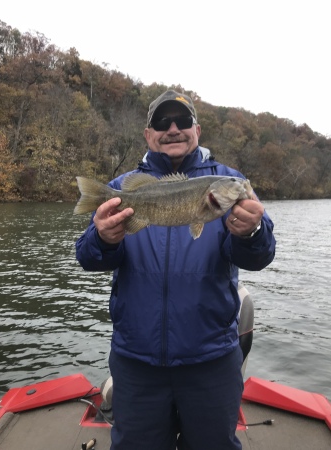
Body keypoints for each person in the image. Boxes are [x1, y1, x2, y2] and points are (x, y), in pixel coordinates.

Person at [76, 90, 276, 450]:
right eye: (162, 123)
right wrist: (103, 239)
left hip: (211, 360)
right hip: (137, 361)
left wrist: (253, 232)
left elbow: (258, 257)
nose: (173, 129)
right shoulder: (123, 188)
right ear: (148, 134)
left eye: (182, 121)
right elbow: (89, 258)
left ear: (197, 129)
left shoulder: (230, 181)